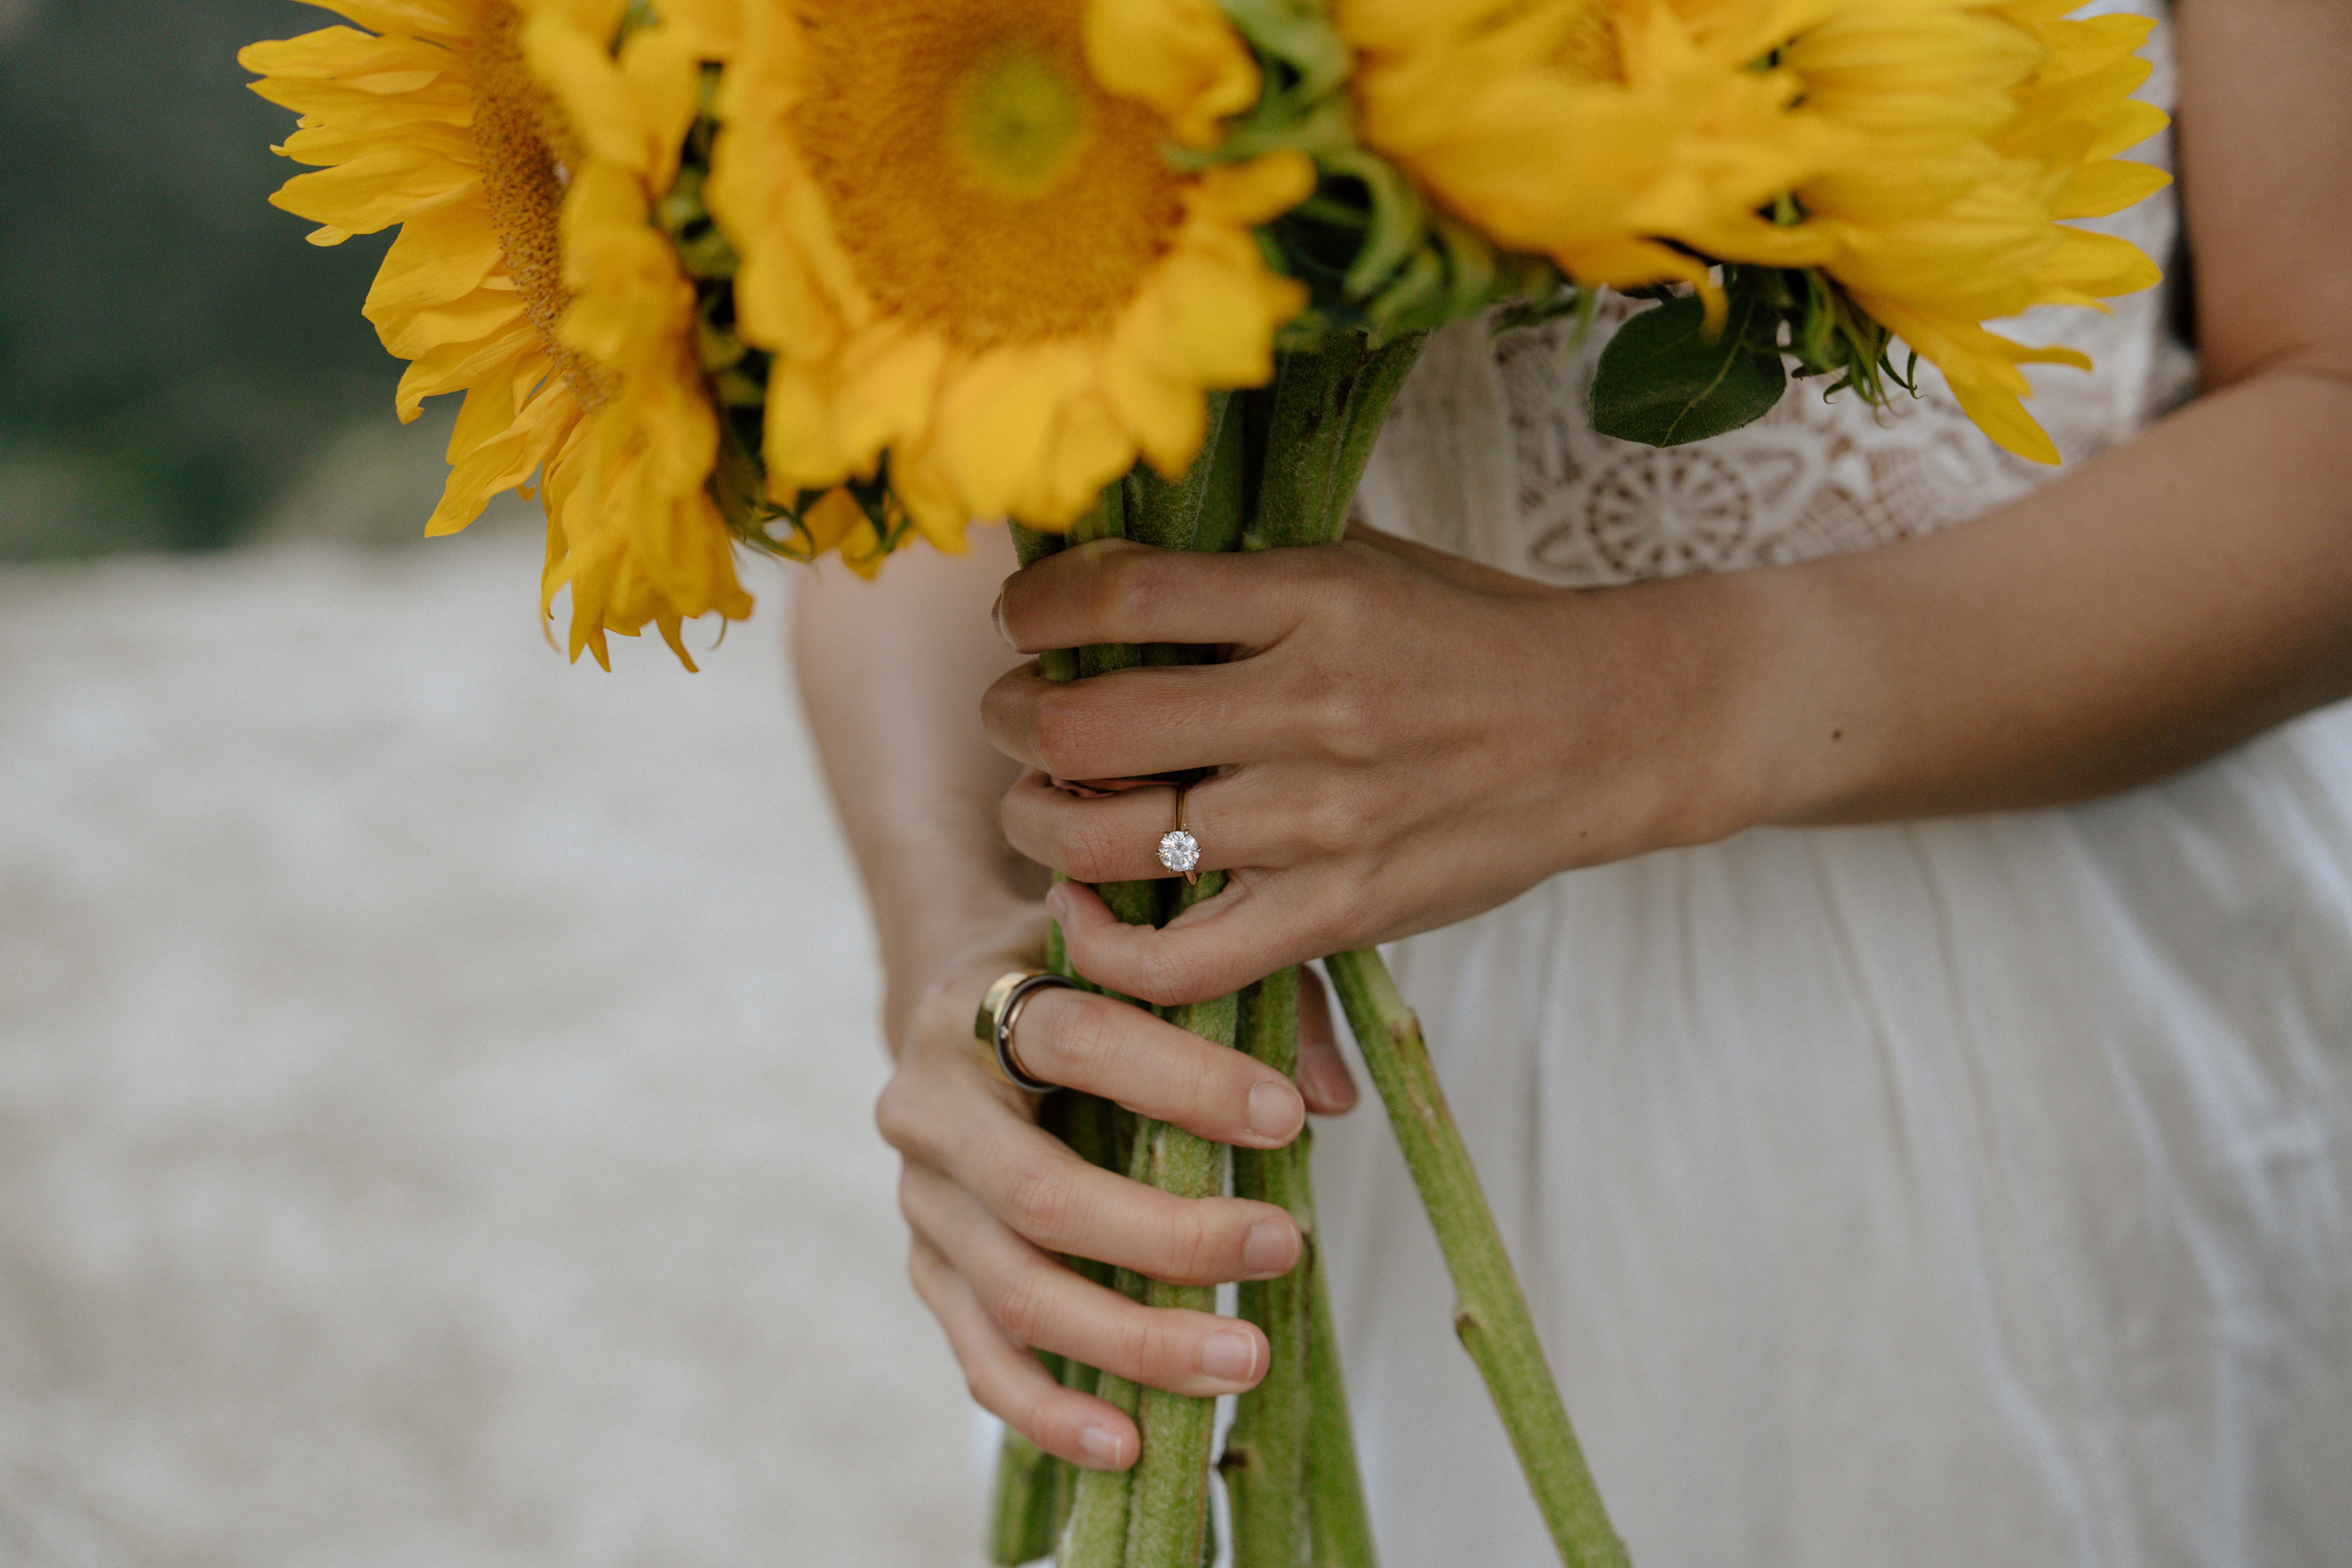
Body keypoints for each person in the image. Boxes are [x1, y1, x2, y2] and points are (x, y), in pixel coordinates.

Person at [792, 3, 2352, 1561]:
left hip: (1999, 1032)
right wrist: (961, 951)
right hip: (1286, 1055)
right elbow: (920, 440)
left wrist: (1663, 706)